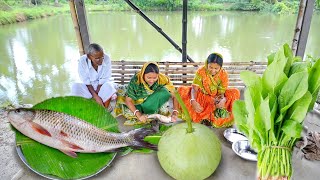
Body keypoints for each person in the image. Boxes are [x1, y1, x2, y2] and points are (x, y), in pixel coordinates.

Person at [177, 53, 240, 128]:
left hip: (215, 99)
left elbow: (221, 93)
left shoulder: (223, 74)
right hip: (203, 97)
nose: (213, 70)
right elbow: (194, 88)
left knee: (235, 92)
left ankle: (211, 117)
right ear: (207, 64)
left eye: (216, 68)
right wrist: (193, 100)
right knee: (181, 90)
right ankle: (206, 116)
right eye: (210, 67)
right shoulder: (201, 71)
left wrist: (222, 100)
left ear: (220, 67)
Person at [114, 62, 179, 125]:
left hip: (152, 101)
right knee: (130, 113)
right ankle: (148, 111)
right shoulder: (136, 81)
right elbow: (128, 101)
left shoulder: (162, 79)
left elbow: (175, 95)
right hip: (138, 104)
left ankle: (150, 110)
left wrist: (175, 112)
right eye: (149, 78)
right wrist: (139, 115)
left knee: (165, 91)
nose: (151, 80)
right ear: (143, 74)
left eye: (154, 78)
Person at [71, 43, 116, 109]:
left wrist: (98, 95)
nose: (101, 60)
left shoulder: (107, 59)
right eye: (97, 58)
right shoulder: (82, 61)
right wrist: (95, 97)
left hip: (102, 86)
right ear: (89, 57)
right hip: (89, 88)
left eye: (102, 57)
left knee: (109, 86)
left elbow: (104, 79)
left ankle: (104, 110)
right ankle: (86, 107)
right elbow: (86, 82)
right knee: (75, 86)